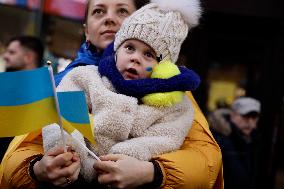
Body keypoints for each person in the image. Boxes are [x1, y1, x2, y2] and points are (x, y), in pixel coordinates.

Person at [0, 0, 223, 188]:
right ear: (87, 29)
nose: (109, 18)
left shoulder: (172, 95)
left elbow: (206, 162)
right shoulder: (62, 82)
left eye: (122, 10)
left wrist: (152, 172)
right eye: (99, 11)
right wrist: (37, 169)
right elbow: (12, 162)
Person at [42, 1, 201, 182]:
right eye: (129, 48)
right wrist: (67, 151)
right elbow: (61, 116)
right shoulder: (84, 77)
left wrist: (136, 161)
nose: (135, 58)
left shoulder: (173, 103)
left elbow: (166, 138)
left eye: (148, 54)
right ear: (116, 50)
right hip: (74, 174)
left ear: (163, 68)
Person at [0, 36, 44, 163]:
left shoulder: (42, 93)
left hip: (17, 166)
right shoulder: (7, 84)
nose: (5, 56)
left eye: (12, 52)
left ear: (28, 57)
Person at [208, 97, 261, 189]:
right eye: (245, 116)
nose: (250, 121)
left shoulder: (252, 138)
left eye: (254, 117)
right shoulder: (217, 138)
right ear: (233, 115)